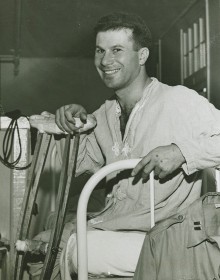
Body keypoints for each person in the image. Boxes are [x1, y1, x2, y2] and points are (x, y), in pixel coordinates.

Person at [29, 12, 220, 279]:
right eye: (99, 51)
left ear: (142, 56)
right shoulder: (104, 113)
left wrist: (181, 152)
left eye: (116, 50)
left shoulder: (179, 100)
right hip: (115, 227)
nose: (105, 61)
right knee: (38, 246)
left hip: (167, 235)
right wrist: (72, 128)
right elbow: (76, 166)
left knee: (63, 249)